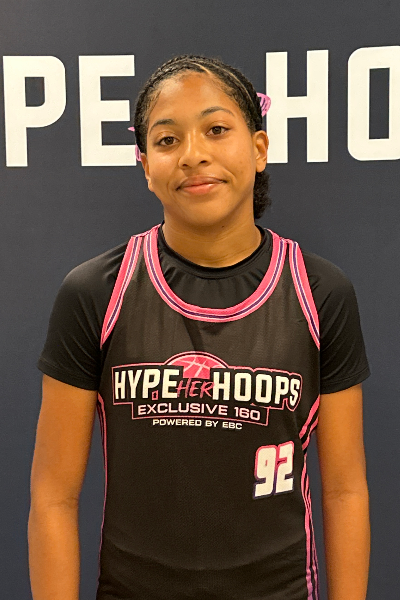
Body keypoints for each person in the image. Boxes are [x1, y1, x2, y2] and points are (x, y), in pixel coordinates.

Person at [28, 54, 370, 600]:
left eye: (216, 130)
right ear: (145, 166)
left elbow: (346, 490)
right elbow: (53, 496)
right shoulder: (95, 292)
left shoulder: (320, 292)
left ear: (259, 148)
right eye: (167, 140)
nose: (193, 154)